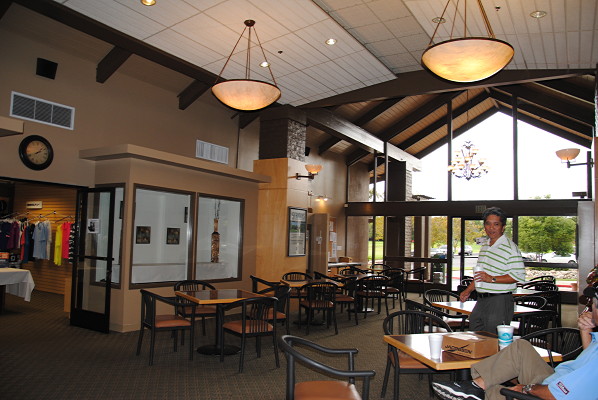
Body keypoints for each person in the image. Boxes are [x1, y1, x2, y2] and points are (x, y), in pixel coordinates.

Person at [432, 283, 598, 400]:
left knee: (494, 391)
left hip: (552, 391)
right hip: (558, 377)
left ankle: (474, 390)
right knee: (520, 347)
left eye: (594, 305)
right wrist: (585, 330)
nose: (590, 308)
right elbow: (588, 358)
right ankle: (475, 386)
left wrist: (527, 388)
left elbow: (556, 394)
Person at [459, 207, 525, 333]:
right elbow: (480, 274)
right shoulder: (485, 245)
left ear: (503, 227)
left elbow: (518, 276)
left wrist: (492, 279)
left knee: (492, 339)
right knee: (475, 333)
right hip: (481, 299)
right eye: (488, 224)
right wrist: (468, 290)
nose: (491, 228)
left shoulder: (510, 248)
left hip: (499, 301)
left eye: (496, 224)